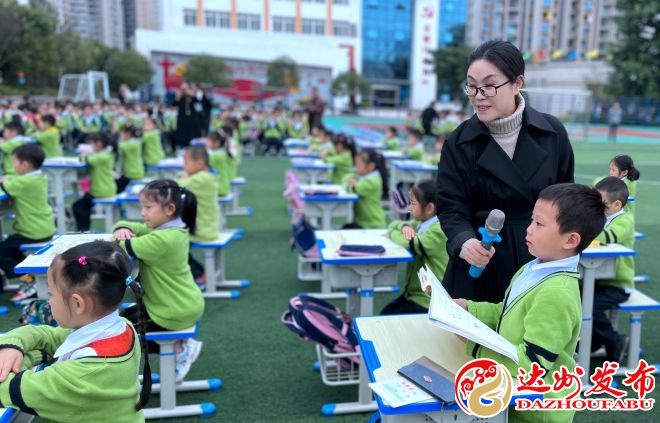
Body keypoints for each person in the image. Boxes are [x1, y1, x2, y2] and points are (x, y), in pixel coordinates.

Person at [436, 40, 575, 303]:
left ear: (517, 83)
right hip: (479, 263)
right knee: (466, 342)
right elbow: (450, 208)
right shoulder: (458, 141)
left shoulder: (552, 132)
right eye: (472, 86)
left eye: (489, 85)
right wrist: (465, 243)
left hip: (536, 261)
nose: (479, 95)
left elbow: (566, 200)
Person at [454, 183, 605, 423]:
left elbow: (531, 368)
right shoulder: (533, 267)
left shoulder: (556, 293)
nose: (528, 230)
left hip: (535, 411)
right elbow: (505, 311)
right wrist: (469, 309)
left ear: (570, 240)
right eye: (531, 220)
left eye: (539, 224)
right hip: (510, 396)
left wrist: (474, 345)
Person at [0, 241, 150, 421]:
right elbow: (47, 336)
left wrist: (18, 360)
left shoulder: (85, 373)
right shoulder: (120, 327)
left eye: (51, 294)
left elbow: (12, 388)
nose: (49, 302)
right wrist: (12, 347)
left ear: (78, 303)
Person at [113, 179, 204, 382]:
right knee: (122, 317)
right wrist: (122, 226)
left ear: (169, 209)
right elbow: (132, 227)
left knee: (120, 331)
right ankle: (181, 344)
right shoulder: (169, 229)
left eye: (147, 207)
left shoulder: (163, 239)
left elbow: (121, 246)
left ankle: (179, 347)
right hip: (174, 305)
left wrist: (120, 235)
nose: (143, 213)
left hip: (172, 311)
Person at [381, 180, 448, 314]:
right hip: (413, 294)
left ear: (429, 208)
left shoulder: (439, 230)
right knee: (384, 313)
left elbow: (409, 243)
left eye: (413, 203)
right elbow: (394, 224)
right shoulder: (421, 223)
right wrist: (404, 226)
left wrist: (393, 233)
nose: (409, 208)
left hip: (428, 300)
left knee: (385, 317)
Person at [0, 144, 55, 297]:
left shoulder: (23, 183)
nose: (12, 166)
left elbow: (6, 185)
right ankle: (30, 276)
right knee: (10, 246)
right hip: (43, 227)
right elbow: (15, 181)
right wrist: (9, 178)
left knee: (2, 251)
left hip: (33, 231)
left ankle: (28, 281)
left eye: (14, 162)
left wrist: (5, 180)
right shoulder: (38, 176)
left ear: (25, 165)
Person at [592, 177, 634, 363]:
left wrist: (583, 229)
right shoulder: (604, 217)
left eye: (602, 204)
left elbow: (607, 237)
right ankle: (593, 341)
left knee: (589, 307)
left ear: (617, 204)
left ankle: (615, 340)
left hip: (617, 284)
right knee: (575, 299)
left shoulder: (625, 220)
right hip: (598, 281)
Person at [178, 146, 220, 284]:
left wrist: (183, 177)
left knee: (174, 245)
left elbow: (177, 185)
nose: (184, 167)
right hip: (206, 226)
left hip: (201, 229)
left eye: (186, 163)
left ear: (200, 163)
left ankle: (199, 273)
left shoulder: (201, 179)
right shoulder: (206, 176)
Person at [72, 132, 117, 232]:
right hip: (104, 189)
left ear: (99, 144)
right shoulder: (105, 154)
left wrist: (84, 154)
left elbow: (84, 159)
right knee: (81, 204)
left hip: (101, 191)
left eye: (92, 143)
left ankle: (85, 230)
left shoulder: (101, 156)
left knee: (78, 206)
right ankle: (85, 229)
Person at [343, 149, 387, 229]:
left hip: (371, 225)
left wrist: (349, 184)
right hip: (363, 222)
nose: (356, 168)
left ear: (371, 166)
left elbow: (353, 189)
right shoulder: (364, 176)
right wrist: (351, 180)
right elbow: (345, 178)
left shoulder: (372, 181)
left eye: (359, 165)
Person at [175, 83, 204, 149]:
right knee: (182, 143)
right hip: (182, 125)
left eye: (186, 89)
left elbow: (199, 105)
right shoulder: (181, 98)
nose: (185, 91)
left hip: (193, 126)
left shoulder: (194, 98)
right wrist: (178, 96)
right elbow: (174, 104)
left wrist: (192, 94)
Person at [116, 124, 144, 193]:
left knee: (117, 186)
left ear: (128, 134)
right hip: (133, 171)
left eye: (121, 134)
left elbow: (116, 146)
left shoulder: (130, 144)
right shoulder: (135, 142)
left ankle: (119, 202)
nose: (120, 136)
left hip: (132, 173)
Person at [207, 131, 232, 197]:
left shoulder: (216, 156)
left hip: (218, 188)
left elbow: (202, 164)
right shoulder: (221, 153)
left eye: (208, 141)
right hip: (223, 186)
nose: (206, 143)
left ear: (217, 143)